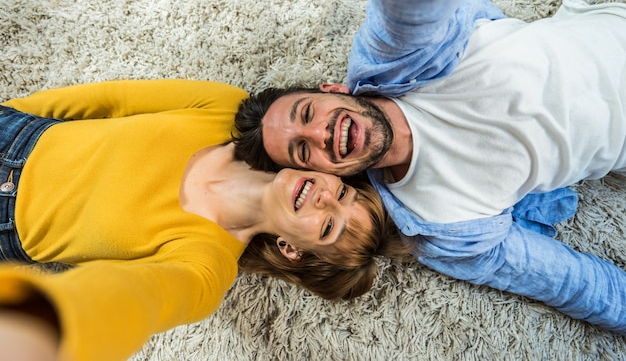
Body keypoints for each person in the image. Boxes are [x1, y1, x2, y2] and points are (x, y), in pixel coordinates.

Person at [232, 0, 626, 336]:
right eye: (303, 151)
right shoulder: (442, 230)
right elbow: (577, 285)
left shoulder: (395, 61)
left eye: (306, 113)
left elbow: (410, 3)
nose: (321, 132)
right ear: (326, 176)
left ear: (334, 88)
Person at [0, 79, 407, 361]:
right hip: (19, 132)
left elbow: (137, 298)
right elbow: (113, 99)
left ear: (292, 249)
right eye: (341, 192)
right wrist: (12, 116)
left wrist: (52, 320)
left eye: (327, 225)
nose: (323, 198)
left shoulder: (205, 268)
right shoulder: (226, 110)